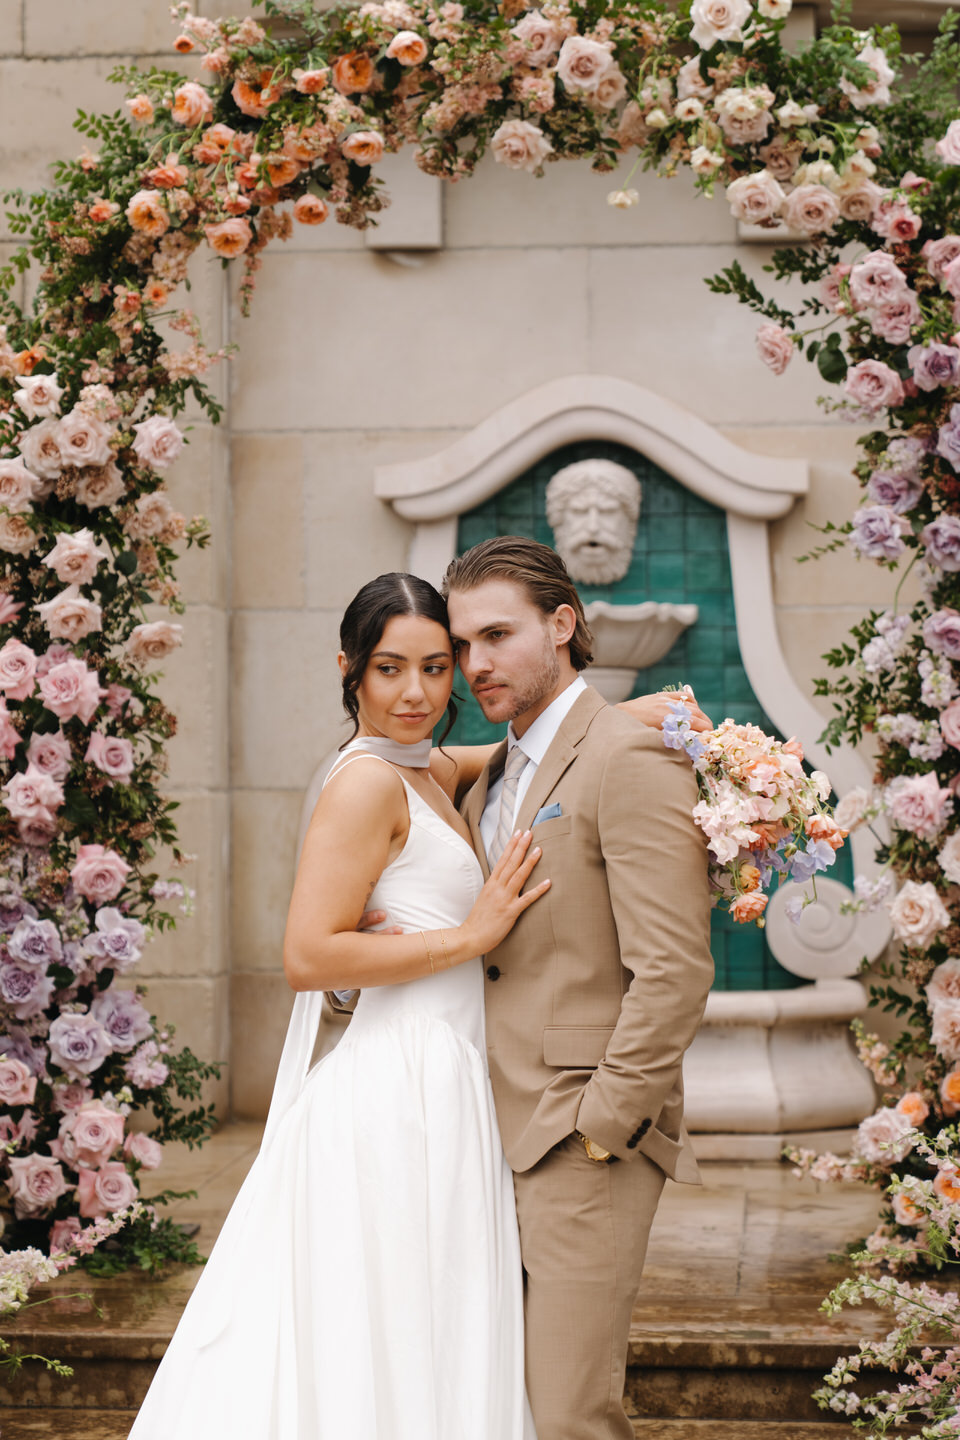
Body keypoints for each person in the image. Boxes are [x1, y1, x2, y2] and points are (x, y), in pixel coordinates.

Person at [129, 567, 709, 1439]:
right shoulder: (366, 782)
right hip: (394, 1098)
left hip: (467, 1096)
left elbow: (527, 757)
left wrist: (621, 716)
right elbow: (306, 955)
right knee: (386, 1339)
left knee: (442, 1345)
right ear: (349, 671)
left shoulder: (437, 769)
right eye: (392, 668)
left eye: (441, 665)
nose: (423, 689)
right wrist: (468, 938)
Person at [440, 536, 714, 1440]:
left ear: (562, 624)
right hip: (486, 1130)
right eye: (462, 644)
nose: (475, 664)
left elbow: (673, 968)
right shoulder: (493, 777)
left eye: (497, 635)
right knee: (505, 1407)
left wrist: (606, 1124)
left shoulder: (628, 760)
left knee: (569, 1415)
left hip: (578, 1136)